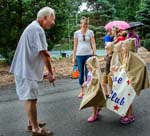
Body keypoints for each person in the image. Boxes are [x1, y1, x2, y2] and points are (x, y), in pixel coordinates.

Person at [9, 7, 55, 136]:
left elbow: (34, 52)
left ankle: (31, 123)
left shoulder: (33, 27)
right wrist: (51, 73)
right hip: (25, 71)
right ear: (45, 17)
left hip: (24, 70)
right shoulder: (37, 29)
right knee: (31, 99)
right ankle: (36, 129)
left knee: (30, 98)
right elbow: (44, 54)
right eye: (53, 18)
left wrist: (43, 72)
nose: (53, 22)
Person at [112, 38, 150, 124]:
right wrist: (119, 67)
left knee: (127, 99)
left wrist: (134, 77)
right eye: (122, 46)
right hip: (127, 80)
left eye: (124, 46)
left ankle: (130, 116)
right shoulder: (127, 55)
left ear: (129, 47)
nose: (122, 48)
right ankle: (128, 114)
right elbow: (125, 65)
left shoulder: (132, 55)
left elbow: (142, 65)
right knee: (126, 98)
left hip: (130, 81)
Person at [72, 16, 96, 98]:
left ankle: (88, 91)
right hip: (79, 55)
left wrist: (94, 53)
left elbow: (93, 43)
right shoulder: (76, 33)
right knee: (81, 73)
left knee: (88, 73)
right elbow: (75, 46)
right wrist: (73, 56)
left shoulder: (90, 32)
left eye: (87, 24)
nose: (85, 25)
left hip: (89, 54)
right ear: (80, 24)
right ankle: (82, 91)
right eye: (84, 24)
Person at [80, 56, 106, 123]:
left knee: (94, 103)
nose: (87, 67)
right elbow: (89, 80)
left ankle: (94, 114)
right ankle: (98, 110)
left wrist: (92, 78)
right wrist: (86, 83)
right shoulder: (89, 72)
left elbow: (95, 81)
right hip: (92, 89)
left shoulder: (96, 72)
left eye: (88, 65)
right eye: (86, 65)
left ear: (92, 65)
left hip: (95, 90)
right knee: (96, 102)